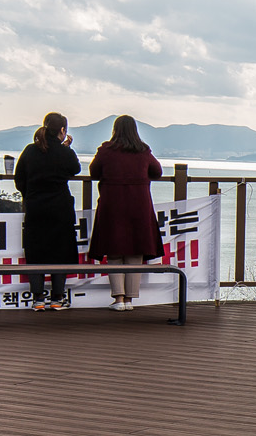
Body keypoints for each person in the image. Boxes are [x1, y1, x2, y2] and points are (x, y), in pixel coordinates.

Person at [88, 115, 164, 312]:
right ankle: (130, 299)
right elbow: (157, 171)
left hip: (112, 205)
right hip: (139, 206)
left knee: (114, 252)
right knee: (135, 252)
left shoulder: (106, 150)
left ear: (115, 130)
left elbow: (94, 172)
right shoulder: (143, 150)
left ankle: (119, 298)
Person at [14, 112, 81, 310]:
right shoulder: (65, 152)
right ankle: (58, 298)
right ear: (62, 130)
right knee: (60, 251)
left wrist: (30, 194)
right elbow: (75, 169)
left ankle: (38, 299)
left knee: (36, 251)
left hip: (36, 207)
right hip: (60, 208)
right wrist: (66, 148)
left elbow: (19, 179)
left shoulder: (30, 150)